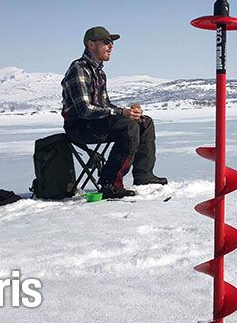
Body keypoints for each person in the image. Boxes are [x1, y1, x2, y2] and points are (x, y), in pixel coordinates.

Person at [61, 26, 166, 199]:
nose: (111, 46)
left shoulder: (99, 72)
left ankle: (144, 175)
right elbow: (84, 110)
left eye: (111, 43)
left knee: (144, 121)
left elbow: (105, 105)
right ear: (90, 44)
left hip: (95, 124)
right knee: (128, 126)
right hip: (79, 127)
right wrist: (121, 113)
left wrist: (129, 112)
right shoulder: (79, 69)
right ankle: (110, 184)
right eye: (106, 42)